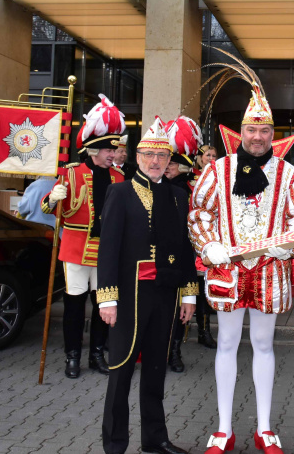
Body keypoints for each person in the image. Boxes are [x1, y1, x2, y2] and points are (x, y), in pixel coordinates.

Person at [189, 79, 294, 454]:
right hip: (227, 272)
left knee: (263, 344)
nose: (257, 137)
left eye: (264, 131)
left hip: (269, 271)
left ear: (272, 134)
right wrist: (208, 244)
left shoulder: (290, 174)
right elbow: (200, 213)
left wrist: (286, 246)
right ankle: (224, 430)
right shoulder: (217, 171)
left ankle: (264, 428)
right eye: (251, 130)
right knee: (226, 343)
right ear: (240, 132)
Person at [96, 116, 199, 454]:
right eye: (149, 154)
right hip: (129, 295)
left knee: (156, 368)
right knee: (121, 369)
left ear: (169, 159)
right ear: (137, 157)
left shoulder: (177, 196)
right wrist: (107, 298)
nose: (156, 161)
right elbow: (108, 248)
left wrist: (189, 294)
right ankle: (115, 443)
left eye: (162, 155)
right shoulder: (120, 192)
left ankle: (155, 438)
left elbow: (184, 249)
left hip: (165, 292)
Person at [43, 94, 127, 378]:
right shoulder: (71, 174)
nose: (113, 154)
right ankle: (72, 356)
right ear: (94, 150)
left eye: (114, 150)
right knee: (74, 307)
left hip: (106, 252)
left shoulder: (119, 178)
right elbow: (47, 207)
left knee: (104, 305)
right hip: (76, 249)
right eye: (108, 150)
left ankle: (97, 354)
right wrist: (53, 198)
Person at [164, 116, 203, 373]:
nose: (167, 167)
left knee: (181, 306)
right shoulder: (155, 185)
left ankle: (175, 350)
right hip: (157, 255)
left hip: (184, 254)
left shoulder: (193, 188)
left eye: (172, 163)